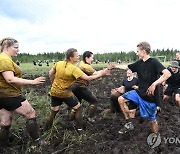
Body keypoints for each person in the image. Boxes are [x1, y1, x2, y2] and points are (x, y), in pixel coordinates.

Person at [44, 48, 110, 131]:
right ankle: (80, 129)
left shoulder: (59, 63)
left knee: (54, 111)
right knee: (78, 107)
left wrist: (53, 84)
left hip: (54, 91)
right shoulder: (73, 69)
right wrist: (102, 74)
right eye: (77, 56)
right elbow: (88, 78)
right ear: (71, 58)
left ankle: (46, 129)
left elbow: (50, 73)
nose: (79, 57)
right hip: (65, 93)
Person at [116, 41, 171, 134]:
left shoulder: (154, 62)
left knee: (152, 120)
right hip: (139, 92)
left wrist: (154, 84)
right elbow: (127, 67)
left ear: (144, 51)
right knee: (121, 99)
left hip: (150, 96)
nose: (136, 53)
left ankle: (155, 136)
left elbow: (167, 74)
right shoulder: (139, 63)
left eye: (137, 51)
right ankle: (129, 123)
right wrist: (115, 66)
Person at [0, 37, 46, 147]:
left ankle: (3, 145)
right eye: (15, 47)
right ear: (6, 47)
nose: (18, 50)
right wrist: (32, 82)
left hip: (2, 95)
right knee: (31, 113)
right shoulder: (4, 60)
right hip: (9, 94)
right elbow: (10, 79)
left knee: (5, 122)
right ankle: (37, 142)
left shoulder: (3, 58)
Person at [71, 51, 114, 122]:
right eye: (92, 58)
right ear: (87, 58)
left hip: (74, 87)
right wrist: (107, 70)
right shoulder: (86, 66)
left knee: (77, 105)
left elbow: (95, 73)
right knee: (94, 101)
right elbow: (96, 73)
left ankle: (71, 119)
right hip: (81, 87)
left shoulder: (80, 63)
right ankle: (90, 118)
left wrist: (106, 70)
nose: (93, 59)